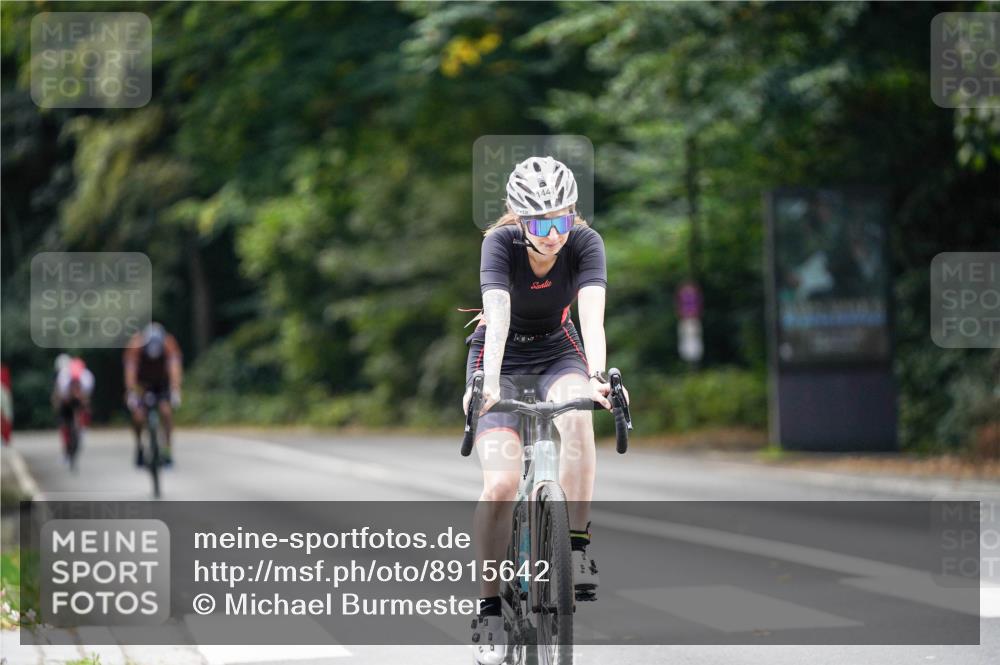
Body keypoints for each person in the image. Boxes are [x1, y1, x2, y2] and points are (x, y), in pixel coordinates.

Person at [463, 156, 621, 664]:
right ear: (519, 219)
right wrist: (488, 385)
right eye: (540, 225)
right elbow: (498, 319)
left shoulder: (585, 242)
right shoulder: (499, 244)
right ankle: (488, 609)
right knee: (501, 484)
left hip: (557, 349)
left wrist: (597, 377)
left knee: (577, 418)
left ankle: (576, 546)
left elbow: (592, 318)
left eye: (562, 220)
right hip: (500, 356)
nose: (553, 235)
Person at [123, 323, 183, 466]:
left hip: (162, 383)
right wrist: (131, 392)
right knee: (138, 416)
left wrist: (175, 389)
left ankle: (167, 450)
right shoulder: (135, 346)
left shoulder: (169, 344)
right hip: (142, 385)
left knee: (166, 412)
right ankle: (139, 447)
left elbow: (175, 368)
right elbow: (130, 372)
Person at [51, 354, 94, 461]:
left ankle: (82, 429)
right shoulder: (63, 379)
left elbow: (87, 398)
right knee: (64, 419)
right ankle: (67, 442)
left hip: (80, 398)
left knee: (85, 410)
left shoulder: (87, 379)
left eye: (77, 388)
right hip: (66, 400)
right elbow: (58, 396)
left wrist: (83, 402)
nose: (75, 391)